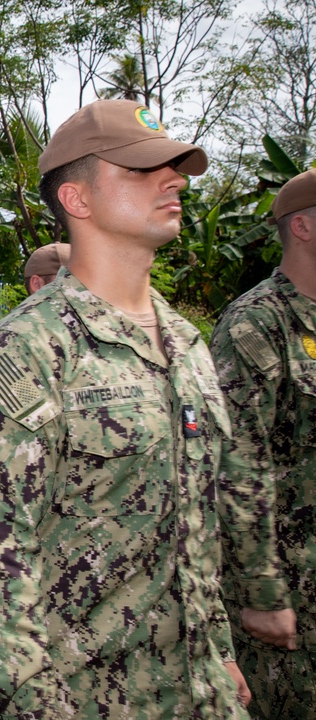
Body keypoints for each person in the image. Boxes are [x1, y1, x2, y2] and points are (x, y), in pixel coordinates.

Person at [0, 99, 251, 718]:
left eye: (174, 168)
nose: (174, 181)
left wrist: (215, 654)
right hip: (80, 700)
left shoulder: (185, 343)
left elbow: (195, 526)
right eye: (139, 170)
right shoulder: (28, 352)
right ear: (77, 201)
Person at [211, 168, 316, 719]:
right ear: (301, 226)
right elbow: (236, 464)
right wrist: (262, 590)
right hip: (291, 585)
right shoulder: (257, 323)